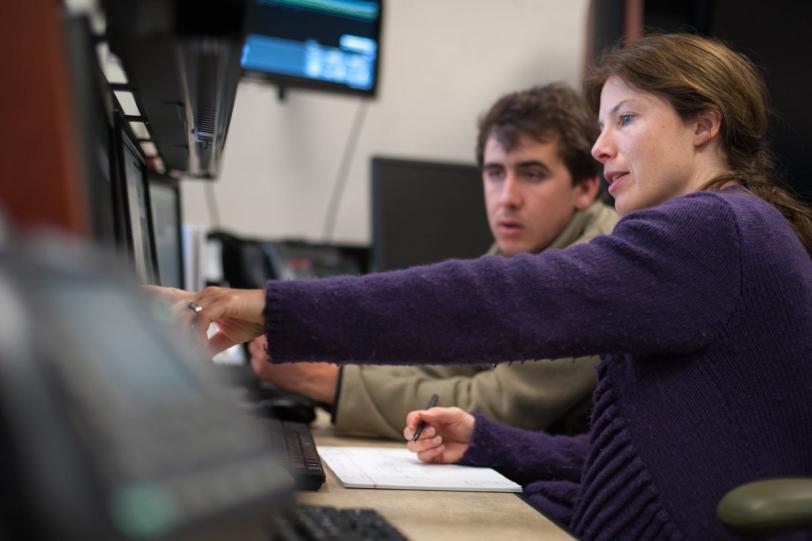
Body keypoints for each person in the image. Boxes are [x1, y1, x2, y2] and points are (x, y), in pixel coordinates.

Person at [152, 34, 812, 540]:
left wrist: (271, 306)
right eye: (602, 124)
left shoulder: (710, 230)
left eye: (626, 120)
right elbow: (633, 456)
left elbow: (494, 300)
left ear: (705, 124)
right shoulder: (731, 229)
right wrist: (489, 441)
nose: (603, 146)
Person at [247, 83, 618, 439]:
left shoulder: (596, 266)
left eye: (532, 174)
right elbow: (447, 356)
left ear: (585, 188)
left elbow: (496, 407)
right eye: (494, 173)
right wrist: (323, 356)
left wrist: (326, 382)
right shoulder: (527, 248)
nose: (507, 197)